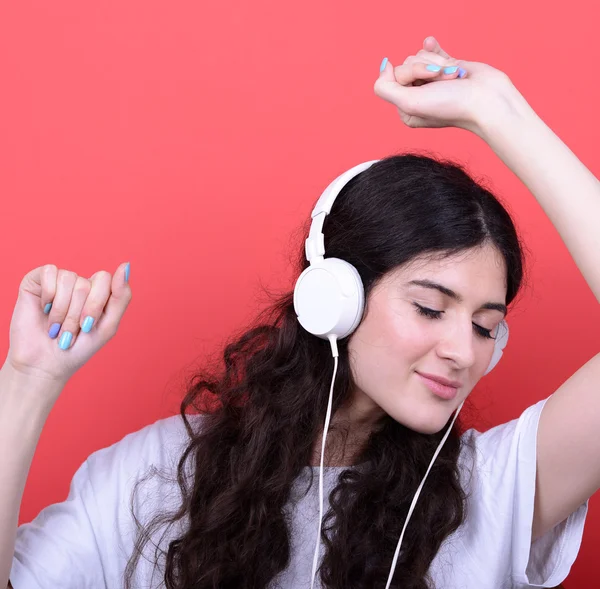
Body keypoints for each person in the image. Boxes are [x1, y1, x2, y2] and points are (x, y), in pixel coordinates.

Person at [0, 35, 598, 589]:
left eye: (485, 327)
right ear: (334, 299)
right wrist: (27, 383)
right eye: (429, 308)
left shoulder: (492, 489)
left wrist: (499, 112)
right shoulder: (153, 475)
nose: (464, 351)